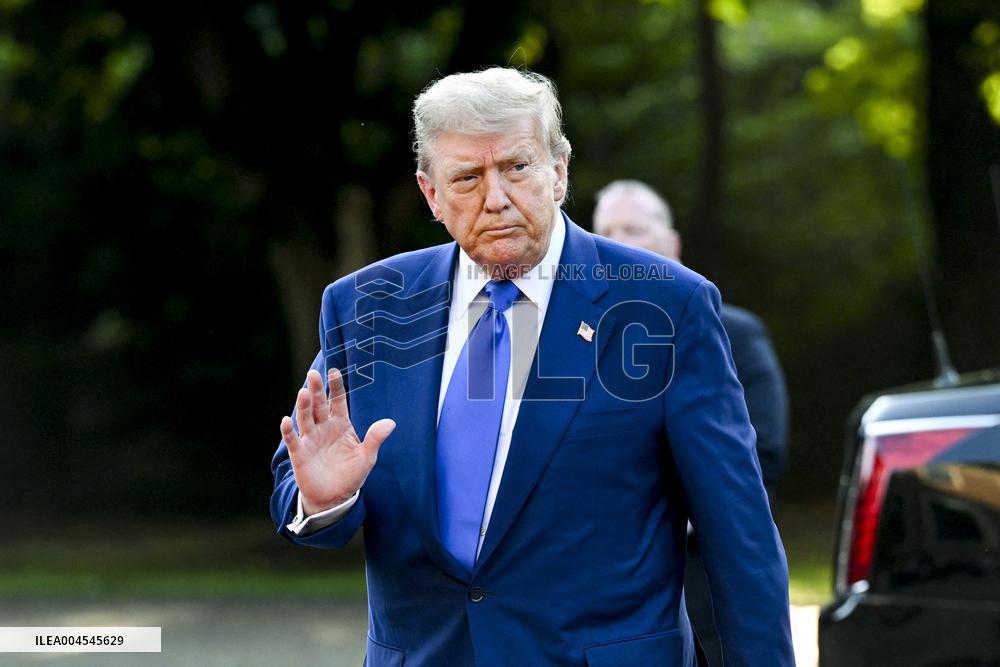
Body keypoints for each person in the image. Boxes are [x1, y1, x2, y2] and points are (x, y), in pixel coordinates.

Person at [270, 68, 794, 667]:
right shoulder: (369, 306)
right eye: (467, 177)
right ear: (431, 194)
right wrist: (325, 502)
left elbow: (740, 538)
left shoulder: (662, 307)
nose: (496, 199)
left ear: (559, 172)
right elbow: (304, 480)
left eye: (516, 168)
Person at [593, 179, 791, 666]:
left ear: (672, 243)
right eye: (606, 230)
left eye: (634, 228)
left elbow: (764, 451)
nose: (619, 240)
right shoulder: (578, 340)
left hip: (700, 584)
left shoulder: (732, 330)